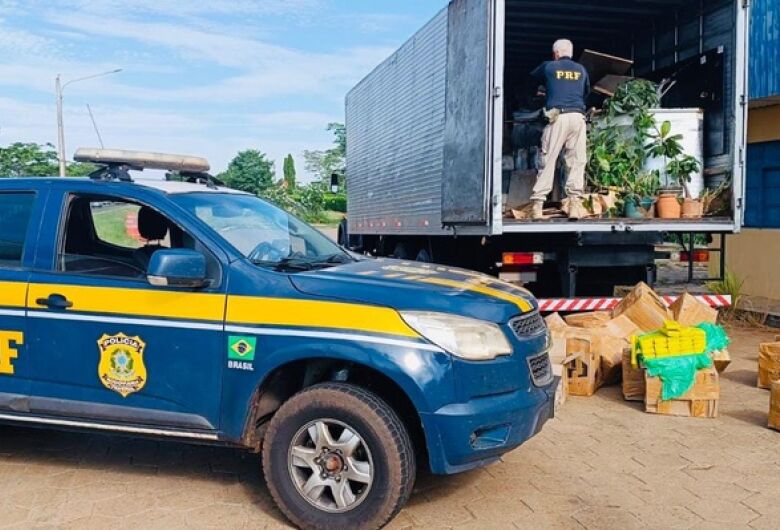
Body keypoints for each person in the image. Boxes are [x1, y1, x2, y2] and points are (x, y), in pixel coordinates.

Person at [529, 39, 590, 219]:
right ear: (571, 53)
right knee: (577, 161)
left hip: (558, 117)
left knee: (548, 160)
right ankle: (575, 206)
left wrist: (544, 92)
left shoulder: (548, 67)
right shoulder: (582, 70)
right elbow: (585, 92)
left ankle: (537, 206)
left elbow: (530, 82)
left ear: (555, 54)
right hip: (578, 117)